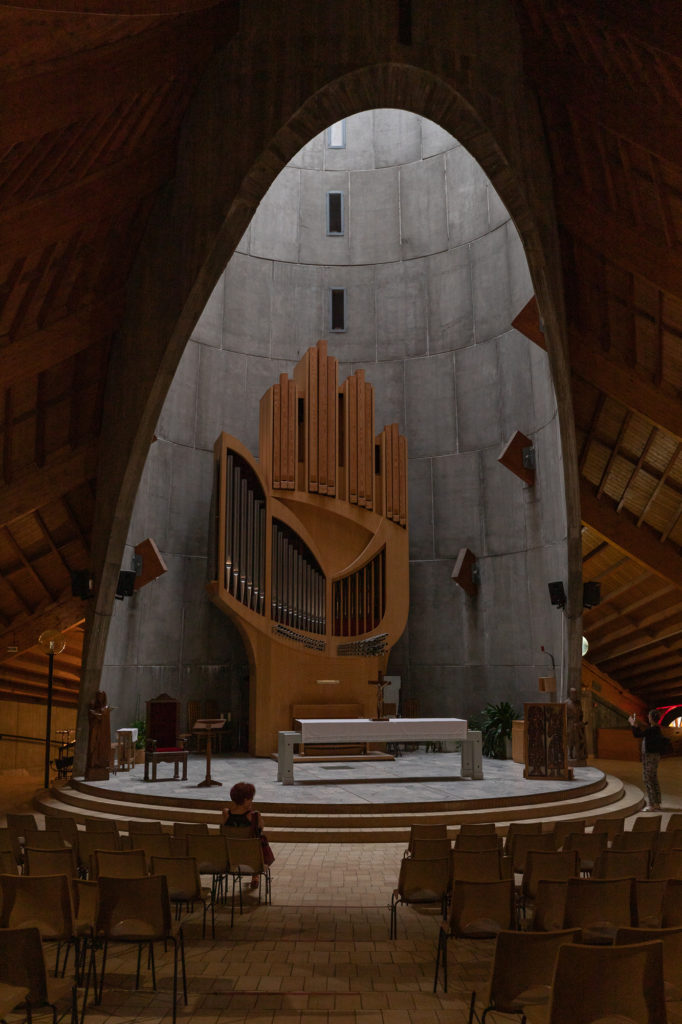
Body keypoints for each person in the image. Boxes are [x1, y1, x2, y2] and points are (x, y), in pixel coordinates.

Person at [222, 781, 274, 887]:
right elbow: (260, 828)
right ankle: (255, 876)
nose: (252, 801)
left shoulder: (225, 813)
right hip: (251, 857)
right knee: (258, 839)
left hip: (231, 856)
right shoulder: (254, 815)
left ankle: (255, 876)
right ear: (246, 800)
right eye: (251, 798)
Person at [628, 710, 666, 811]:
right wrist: (636, 725)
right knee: (653, 779)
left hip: (650, 757)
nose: (648, 717)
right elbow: (642, 733)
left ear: (651, 718)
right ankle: (657, 803)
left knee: (648, 779)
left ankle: (651, 804)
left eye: (649, 716)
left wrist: (632, 724)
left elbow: (637, 734)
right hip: (653, 757)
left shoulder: (653, 729)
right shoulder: (655, 729)